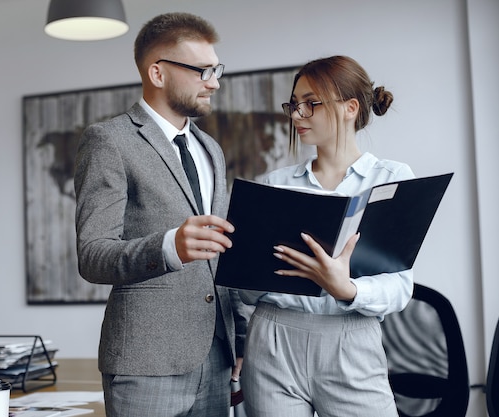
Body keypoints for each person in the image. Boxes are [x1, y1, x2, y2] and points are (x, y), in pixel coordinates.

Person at [73, 12, 249, 417]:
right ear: (157, 73)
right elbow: (93, 255)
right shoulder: (109, 141)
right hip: (145, 362)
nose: (215, 82)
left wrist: (240, 339)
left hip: (217, 355)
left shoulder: (211, 150)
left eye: (216, 69)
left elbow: (224, 256)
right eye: (203, 70)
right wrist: (170, 247)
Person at [239, 55, 415, 417]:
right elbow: (244, 290)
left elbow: (400, 287)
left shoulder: (391, 178)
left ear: (350, 108)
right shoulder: (275, 184)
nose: (296, 115)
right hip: (272, 340)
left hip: (351, 338)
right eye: (294, 104)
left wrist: (347, 289)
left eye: (311, 104)